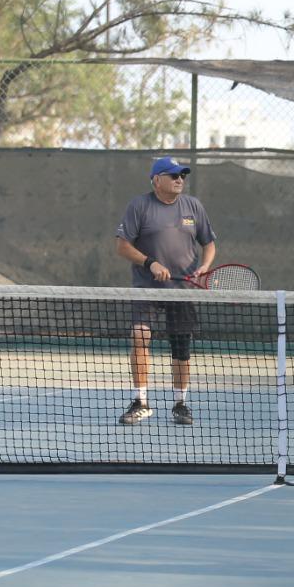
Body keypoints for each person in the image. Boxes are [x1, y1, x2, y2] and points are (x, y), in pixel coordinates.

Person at [114, 156, 217, 426]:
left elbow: (209, 244)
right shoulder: (139, 206)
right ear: (156, 179)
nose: (179, 179)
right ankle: (140, 401)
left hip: (181, 290)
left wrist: (205, 267)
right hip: (147, 288)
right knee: (139, 335)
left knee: (181, 347)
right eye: (173, 175)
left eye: (182, 175)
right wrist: (151, 263)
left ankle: (180, 404)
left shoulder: (193, 206)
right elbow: (123, 247)